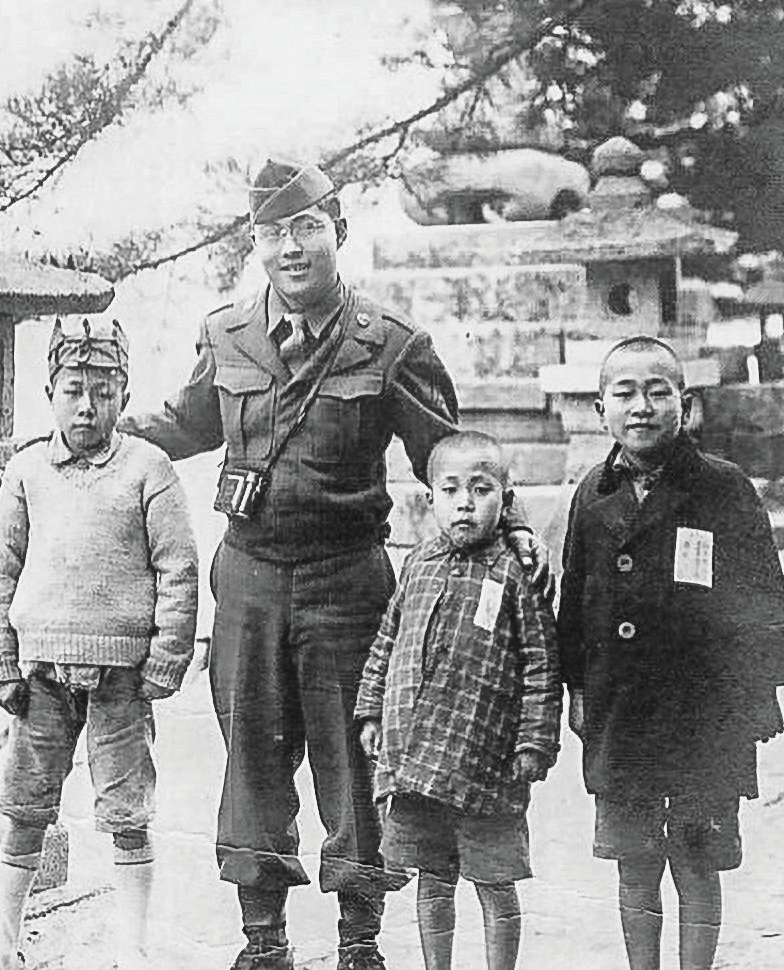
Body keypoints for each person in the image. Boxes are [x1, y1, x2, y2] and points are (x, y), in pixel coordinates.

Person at [120, 158, 543, 970]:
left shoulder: (390, 346)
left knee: (355, 758)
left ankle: (359, 942)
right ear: (257, 246)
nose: (291, 249)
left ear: (338, 233)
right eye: (274, 235)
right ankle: (264, 941)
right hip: (247, 578)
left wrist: (514, 526)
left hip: (348, 584)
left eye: (306, 229)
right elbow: (185, 422)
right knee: (250, 753)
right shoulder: (227, 334)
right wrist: (95, 435)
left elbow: (451, 456)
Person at [557, 336, 784, 970]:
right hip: (623, 712)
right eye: (625, 393)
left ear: (685, 405)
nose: (642, 407)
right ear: (598, 408)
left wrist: (760, 694)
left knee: (697, 857)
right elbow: (575, 600)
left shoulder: (723, 488)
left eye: (658, 391)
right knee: (635, 861)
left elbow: (761, 592)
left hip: (705, 713)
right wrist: (577, 688)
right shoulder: (591, 494)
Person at [0, 318, 199, 970]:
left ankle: (131, 948)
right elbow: (1, 568)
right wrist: (0, 658)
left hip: (122, 678)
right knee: (24, 807)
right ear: (49, 390)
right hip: (39, 674)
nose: (86, 405)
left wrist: (166, 656)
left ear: (124, 396)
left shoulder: (147, 469)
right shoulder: (26, 472)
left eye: (103, 391)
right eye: (73, 389)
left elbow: (178, 568)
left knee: (127, 811)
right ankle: (1, 941)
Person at [354, 432, 560, 970]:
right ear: (429, 499)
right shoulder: (418, 563)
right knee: (432, 877)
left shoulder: (517, 573)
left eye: (481, 488)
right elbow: (386, 640)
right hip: (417, 754)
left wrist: (534, 741)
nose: (465, 501)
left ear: (506, 498)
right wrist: (372, 709)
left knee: (495, 881)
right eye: (450, 490)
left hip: (486, 760)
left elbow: (541, 662)